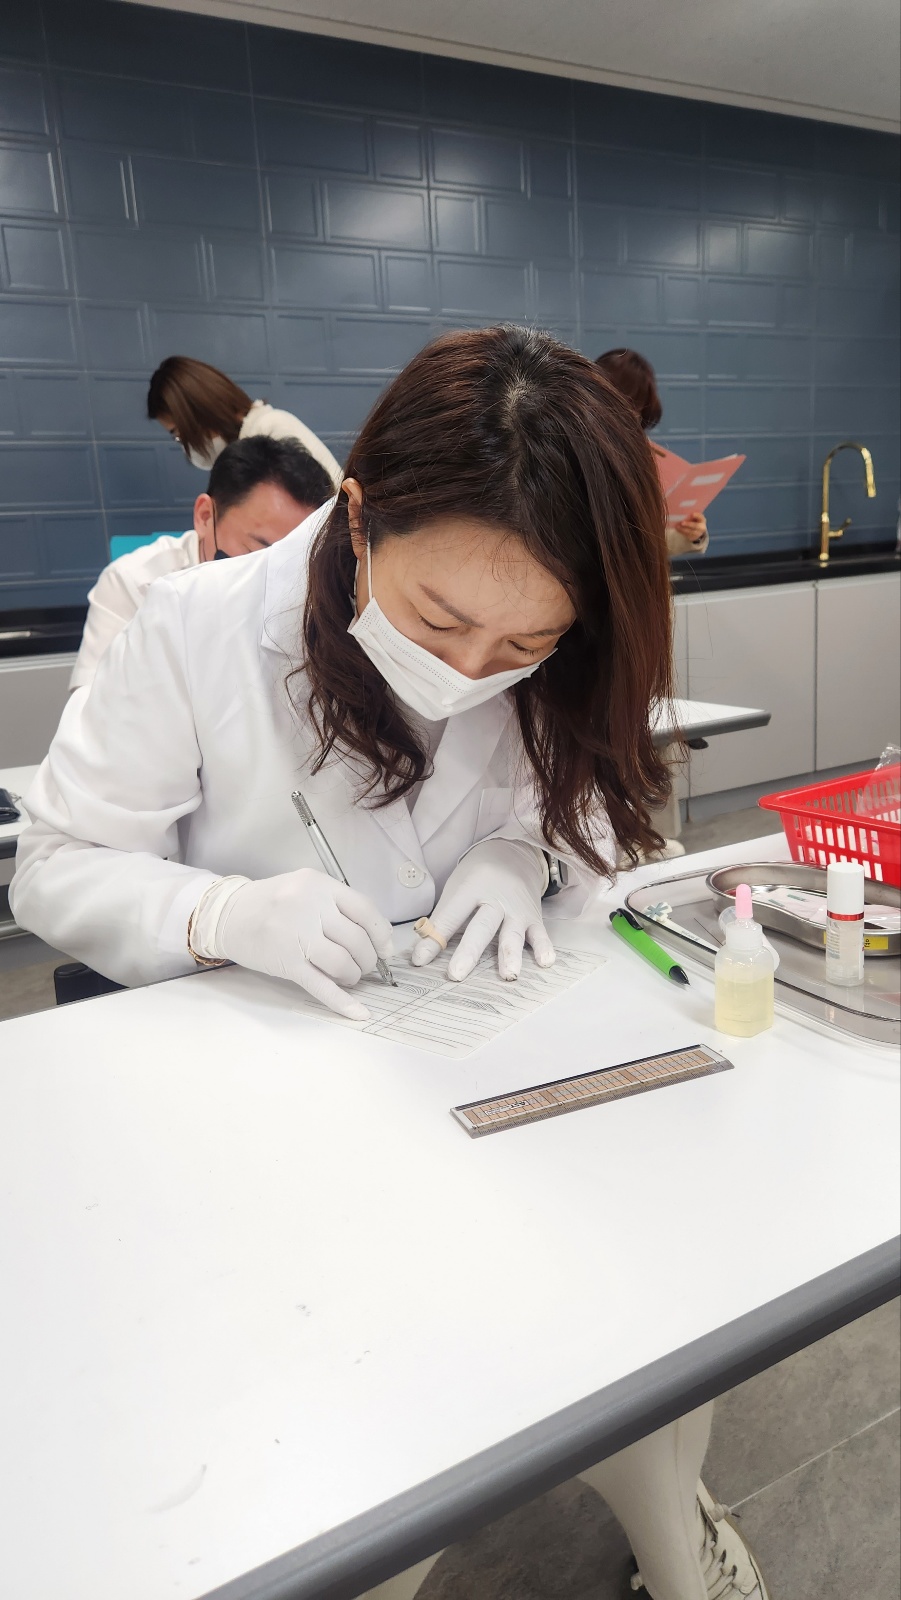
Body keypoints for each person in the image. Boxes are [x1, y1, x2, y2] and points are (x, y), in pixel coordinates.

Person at [12, 327, 767, 1600]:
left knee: (642, 1328)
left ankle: (667, 1515)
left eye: (519, 646)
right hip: (271, 1115)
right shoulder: (190, 628)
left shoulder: (557, 648)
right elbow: (54, 864)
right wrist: (219, 912)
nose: (470, 672)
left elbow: (586, 814)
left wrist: (520, 856)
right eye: (438, 619)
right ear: (360, 518)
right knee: (357, 1445)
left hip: (485, 1067)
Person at [69, 437, 333, 691]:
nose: (275, 578)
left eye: (293, 562)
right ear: (205, 516)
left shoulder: (309, 590)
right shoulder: (133, 583)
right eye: (258, 552)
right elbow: (91, 704)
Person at [147, 354, 343, 487]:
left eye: (180, 434)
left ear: (202, 413)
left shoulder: (270, 432)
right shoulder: (242, 449)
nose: (185, 446)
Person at [595, 349, 709, 558]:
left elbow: (649, 544)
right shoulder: (569, 454)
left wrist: (692, 533)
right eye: (624, 407)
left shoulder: (644, 458)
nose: (630, 420)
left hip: (639, 576)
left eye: (637, 412)